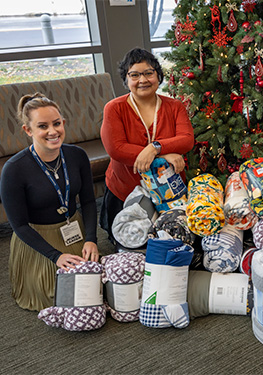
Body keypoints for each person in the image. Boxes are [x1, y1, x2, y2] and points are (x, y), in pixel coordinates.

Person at [0, 93, 99, 311]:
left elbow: (89, 202)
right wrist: (55, 256)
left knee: (92, 288)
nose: (53, 131)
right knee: (60, 296)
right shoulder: (14, 170)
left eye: (56, 123)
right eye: (43, 126)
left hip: (74, 228)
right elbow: (19, 226)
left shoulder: (77, 156)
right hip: (38, 239)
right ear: (28, 130)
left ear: (63, 123)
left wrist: (91, 239)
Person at [100, 47, 194, 241]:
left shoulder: (174, 106)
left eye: (148, 73)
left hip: (170, 191)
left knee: (172, 241)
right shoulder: (114, 108)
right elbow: (116, 149)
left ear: (158, 77)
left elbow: (186, 139)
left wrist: (154, 147)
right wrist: (164, 155)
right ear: (126, 80)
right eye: (134, 75)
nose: (142, 80)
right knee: (128, 242)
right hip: (126, 187)